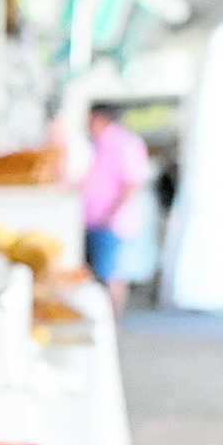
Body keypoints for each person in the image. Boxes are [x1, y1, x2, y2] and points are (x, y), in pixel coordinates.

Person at [80, 105, 155, 316]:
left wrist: (112, 214)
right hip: (94, 219)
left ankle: (113, 321)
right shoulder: (98, 143)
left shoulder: (123, 143)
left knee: (112, 274)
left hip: (111, 221)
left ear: (100, 119)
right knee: (98, 274)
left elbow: (131, 182)